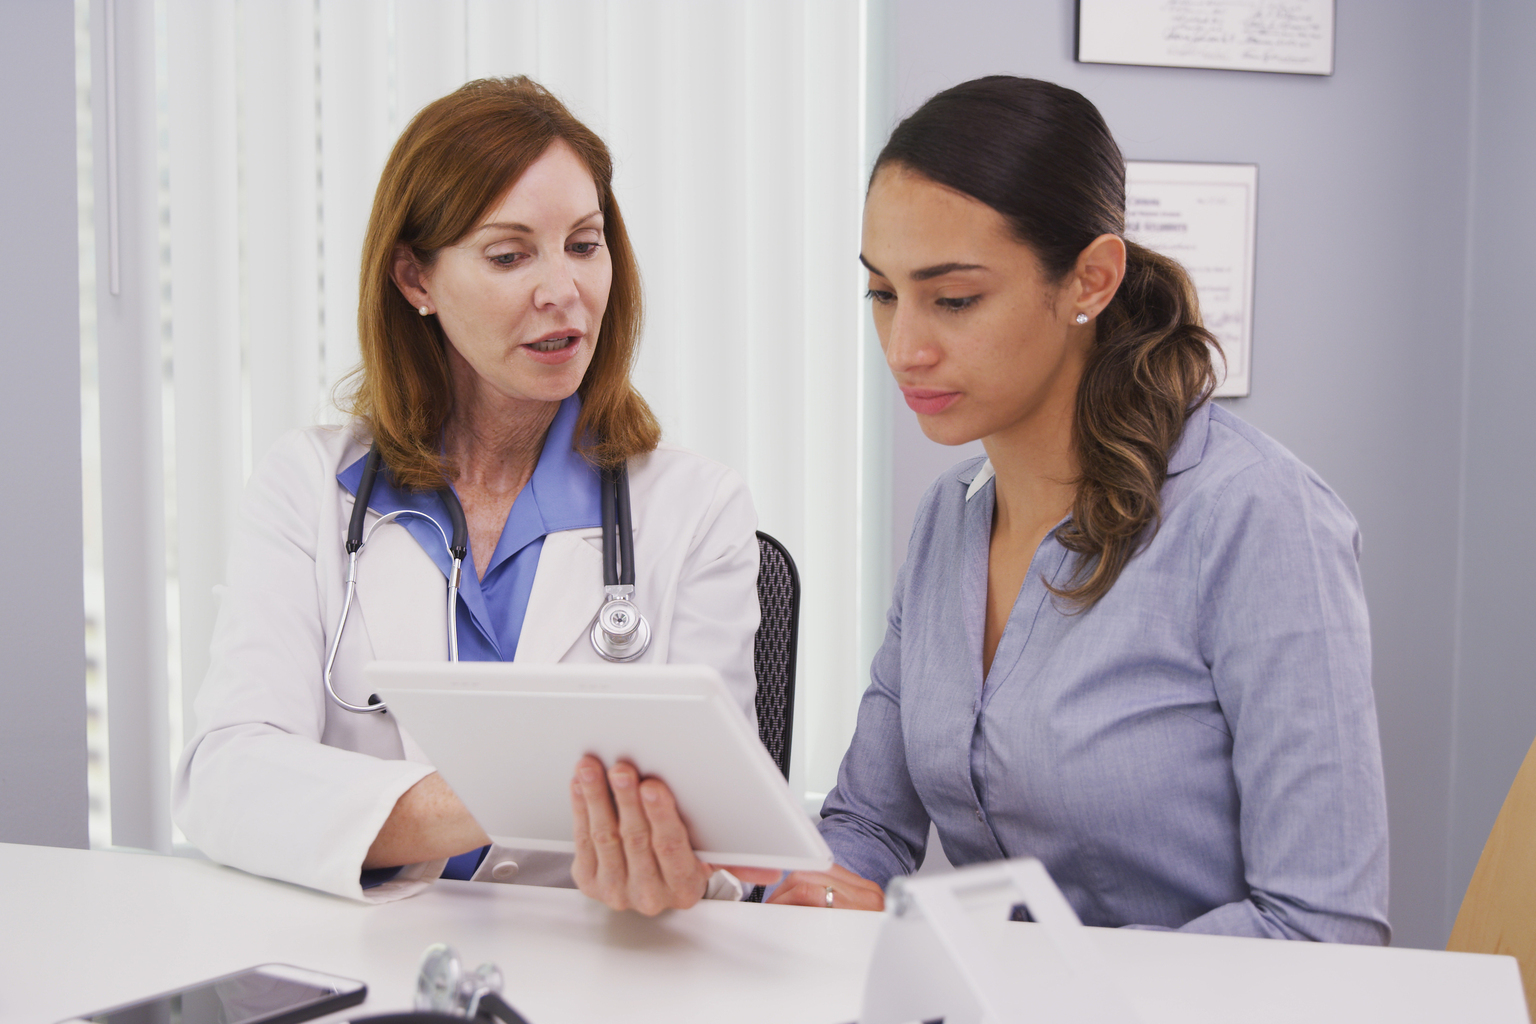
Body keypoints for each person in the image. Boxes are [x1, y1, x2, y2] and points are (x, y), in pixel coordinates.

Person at [766, 76, 1390, 943]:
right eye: (881, 293)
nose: (904, 346)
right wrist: (777, 891)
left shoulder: (1259, 520)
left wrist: (987, 958)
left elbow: (1322, 930)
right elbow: (869, 827)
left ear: (1089, 280)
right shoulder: (950, 518)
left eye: (953, 299)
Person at [173, 77, 775, 912]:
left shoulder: (696, 510)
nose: (564, 289)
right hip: (370, 957)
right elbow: (226, 775)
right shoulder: (308, 489)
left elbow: (713, 821)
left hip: (598, 964)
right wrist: (507, 795)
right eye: (510, 253)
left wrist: (674, 867)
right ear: (415, 278)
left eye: (585, 243)